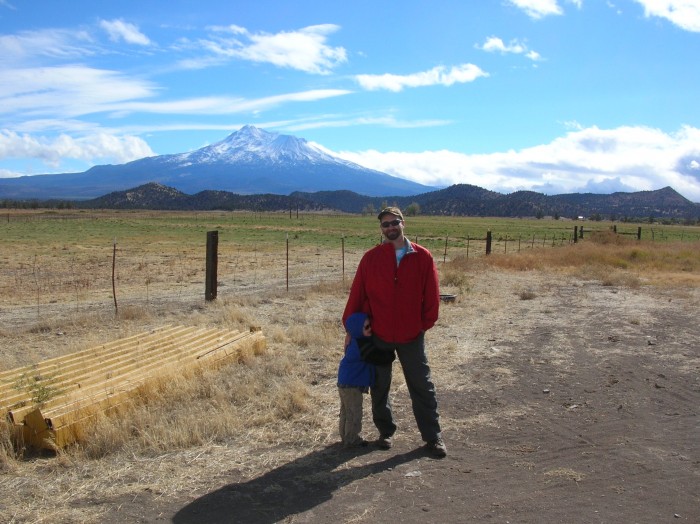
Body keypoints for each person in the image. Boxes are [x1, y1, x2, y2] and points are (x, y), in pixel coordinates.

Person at [342, 206, 447, 458]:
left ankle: (433, 437)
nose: (390, 228)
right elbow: (358, 294)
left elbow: (431, 298)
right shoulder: (371, 258)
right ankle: (385, 432)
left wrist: (423, 325)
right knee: (380, 386)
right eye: (385, 224)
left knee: (421, 385)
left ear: (403, 223)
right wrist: (351, 327)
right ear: (381, 229)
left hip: (412, 336)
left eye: (394, 222)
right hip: (379, 335)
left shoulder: (423, 257)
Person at [337, 312, 375, 448]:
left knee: (346, 411)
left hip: (344, 382)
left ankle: (345, 435)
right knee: (354, 411)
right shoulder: (361, 346)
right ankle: (352, 439)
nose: (370, 328)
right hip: (351, 385)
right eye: (366, 327)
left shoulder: (352, 343)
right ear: (358, 330)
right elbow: (377, 357)